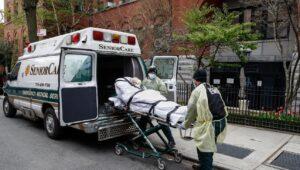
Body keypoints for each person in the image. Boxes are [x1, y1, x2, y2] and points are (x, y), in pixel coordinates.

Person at [181, 69, 227, 170]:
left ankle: (206, 167)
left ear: (196, 80)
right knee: (206, 146)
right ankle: (203, 166)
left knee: (205, 149)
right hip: (221, 122)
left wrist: (185, 124)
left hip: (210, 125)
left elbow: (191, 110)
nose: (193, 82)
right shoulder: (212, 88)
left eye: (194, 80)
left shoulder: (197, 91)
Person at [140, 66, 176, 148]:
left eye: (153, 73)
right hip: (147, 105)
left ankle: (171, 140)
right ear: (148, 73)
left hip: (156, 105)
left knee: (162, 122)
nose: (152, 74)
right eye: (150, 72)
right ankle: (141, 138)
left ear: (155, 73)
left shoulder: (159, 82)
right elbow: (141, 89)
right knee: (143, 121)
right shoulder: (145, 81)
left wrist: (153, 92)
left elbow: (164, 92)